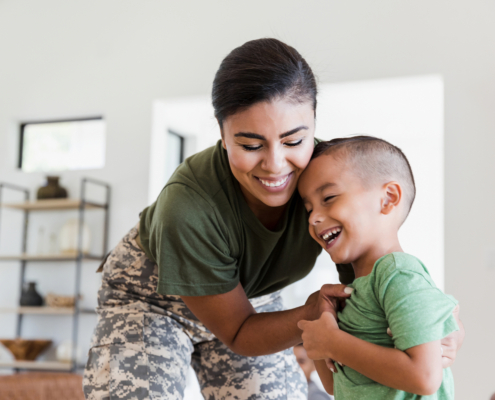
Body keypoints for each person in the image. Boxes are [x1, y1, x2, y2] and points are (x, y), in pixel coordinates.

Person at [82, 38, 463, 400]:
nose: (276, 165)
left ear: (313, 123)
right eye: (250, 145)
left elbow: (377, 289)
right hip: (152, 300)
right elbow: (238, 330)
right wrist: (313, 317)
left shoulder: (326, 183)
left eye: (294, 141)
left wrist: (432, 327)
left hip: (253, 299)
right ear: (223, 135)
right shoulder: (187, 208)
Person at [297, 136, 464, 399]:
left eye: (328, 197)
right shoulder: (349, 294)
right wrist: (321, 327)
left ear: (388, 199)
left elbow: (425, 377)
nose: (314, 217)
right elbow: (336, 386)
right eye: (308, 209)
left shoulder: (397, 273)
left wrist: (332, 342)